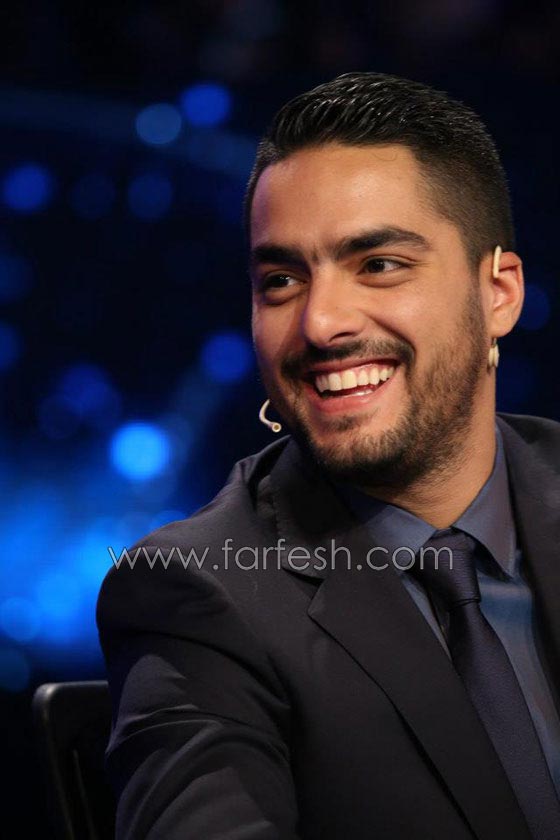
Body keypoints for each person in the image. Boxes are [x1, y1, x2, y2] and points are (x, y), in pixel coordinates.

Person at [97, 73, 560, 839]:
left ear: (498, 294)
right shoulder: (195, 595)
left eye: (378, 264)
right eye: (281, 280)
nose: (320, 323)